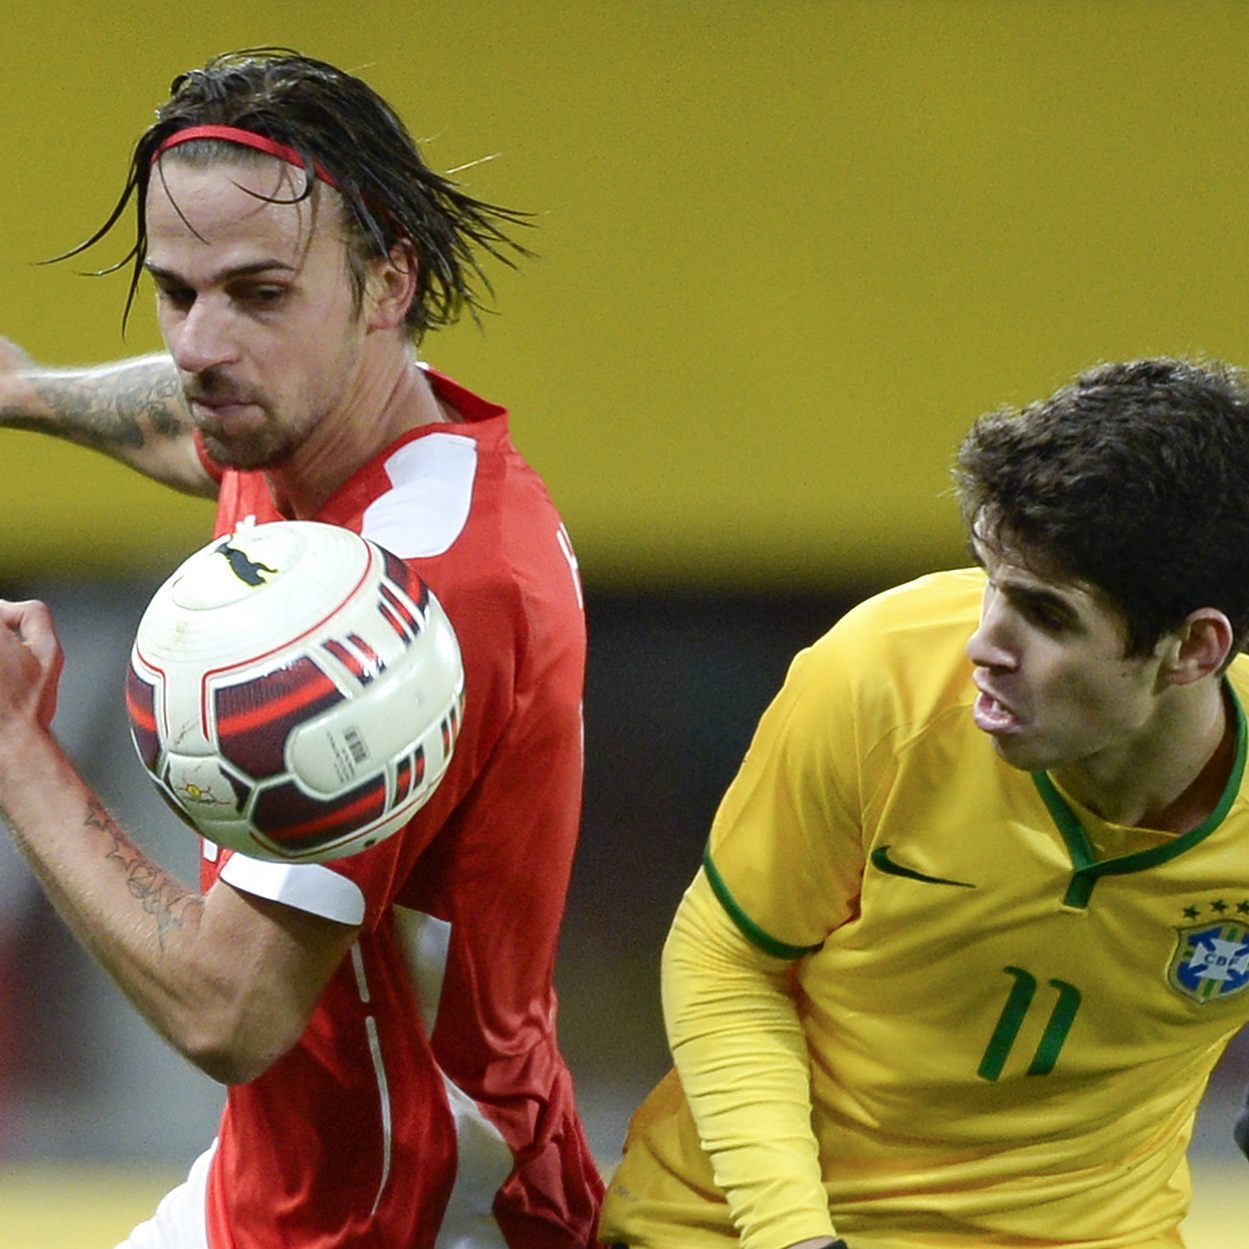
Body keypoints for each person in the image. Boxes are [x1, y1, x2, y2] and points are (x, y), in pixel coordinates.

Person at [0, 48, 602, 1248]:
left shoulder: (402, 598)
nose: (199, 344)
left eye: (259, 294)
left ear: (390, 281)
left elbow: (230, 1009)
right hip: (284, 1181)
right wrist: (21, 389)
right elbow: (197, 426)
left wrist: (17, 749)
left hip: (405, 1212)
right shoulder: (334, 425)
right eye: (178, 292)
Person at [597, 358, 1249, 1249]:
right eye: (988, 577)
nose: (984, 642)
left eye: (1046, 615)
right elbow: (726, 960)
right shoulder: (877, 676)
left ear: (1192, 649)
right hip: (748, 1224)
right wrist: (790, 1234)